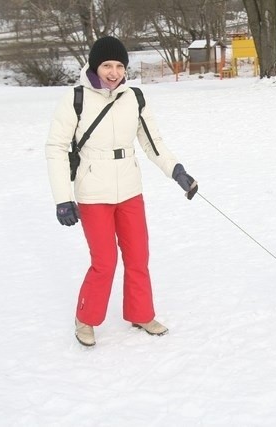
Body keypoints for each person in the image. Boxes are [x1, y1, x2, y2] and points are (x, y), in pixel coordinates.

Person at [45, 36, 199, 347]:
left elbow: (152, 144)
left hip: (129, 189)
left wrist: (176, 171)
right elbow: (56, 148)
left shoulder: (135, 98)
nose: (114, 72)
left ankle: (141, 313)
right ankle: (85, 319)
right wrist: (63, 198)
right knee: (104, 262)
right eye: (107, 65)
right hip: (92, 192)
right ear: (94, 66)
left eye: (119, 66)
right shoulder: (76, 98)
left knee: (138, 256)